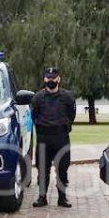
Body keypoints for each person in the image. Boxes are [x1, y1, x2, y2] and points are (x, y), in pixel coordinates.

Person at [30, 66, 76, 208]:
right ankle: (42, 197)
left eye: (53, 78)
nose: (51, 80)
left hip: (61, 137)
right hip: (44, 137)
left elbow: (71, 115)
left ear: (58, 79)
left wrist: (64, 124)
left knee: (62, 168)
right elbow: (34, 116)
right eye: (48, 78)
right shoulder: (37, 98)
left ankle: (62, 198)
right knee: (42, 169)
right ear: (44, 79)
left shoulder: (67, 97)